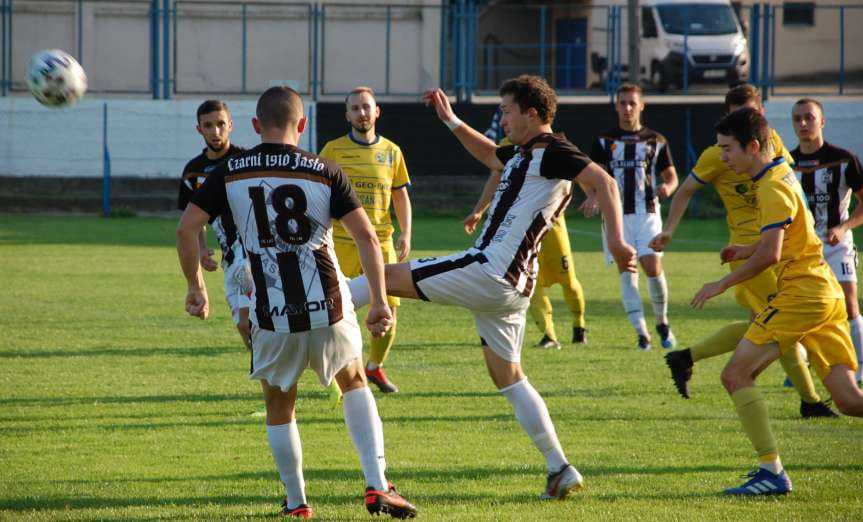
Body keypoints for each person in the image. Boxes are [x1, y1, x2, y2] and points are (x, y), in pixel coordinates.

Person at [350, 75, 637, 499]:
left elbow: (605, 182)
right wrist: (450, 120)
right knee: (508, 375)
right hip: (511, 285)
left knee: (383, 276)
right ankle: (559, 467)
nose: (500, 117)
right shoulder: (525, 153)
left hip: (492, 269)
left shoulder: (552, 148)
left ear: (532, 113)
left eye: (505, 110)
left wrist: (615, 240)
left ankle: (308, 324)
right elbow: (490, 155)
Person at [176, 86, 417, 519]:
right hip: (329, 303)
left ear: (253, 126)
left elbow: (186, 228)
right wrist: (379, 300)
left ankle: (298, 502)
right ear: (302, 125)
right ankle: (378, 485)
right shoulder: (324, 168)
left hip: (271, 310)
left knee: (279, 405)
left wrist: (196, 286)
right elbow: (365, 235)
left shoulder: (230, 170)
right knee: (355, 382)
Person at [691, 107, 863, 495]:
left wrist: (722, 283)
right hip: (822, 289)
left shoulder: (769, 186)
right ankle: (771, 473)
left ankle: (771, 472)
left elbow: (771, 255)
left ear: (753, 146)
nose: (722, 157)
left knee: (734, 375)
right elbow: (787, 237)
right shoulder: (780, 171)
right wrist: (745, 247)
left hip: (802, 293)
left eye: (728, 149)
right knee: (850, 401)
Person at [653, 84, 836, 418]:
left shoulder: (772, 144)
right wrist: (668, 231)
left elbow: (788, 183)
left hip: (782, 246)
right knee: (781, 325)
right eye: (743, 113)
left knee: (762, 324)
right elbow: (684, 191)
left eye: (755, 112)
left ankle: (685, 357)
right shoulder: (719, 154)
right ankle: (811, 401)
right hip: (751, 254)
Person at [320, 86, 412, 393]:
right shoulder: (332, 150)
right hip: (342, 243)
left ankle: (374, 368)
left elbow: (400, 196)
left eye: (366, 107)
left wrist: (406, 231)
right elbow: (317, 192)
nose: (361, 112)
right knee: (337, 311)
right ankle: (341, 371)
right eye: (355, 108)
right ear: (347, 114)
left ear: (377, 111)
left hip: (381, 243)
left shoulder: (393, 151)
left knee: (388, 311)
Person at [467, 123, 588, 350]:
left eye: (509, 111)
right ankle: (549, 335)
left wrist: (593, 195)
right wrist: (479, 210)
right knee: (532, 283)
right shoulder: (506, 147)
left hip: (552, 228)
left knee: (567, 280)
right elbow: (495, 176)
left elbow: (582, 170)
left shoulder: (554, 143)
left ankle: (579, 326)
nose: (506, 120)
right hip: (520, 230)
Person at [588, 83, 678, 351]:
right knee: (627, 270)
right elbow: (595, 178)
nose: (627, 108)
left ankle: (662, 322)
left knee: (652, 265)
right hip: (616, 216)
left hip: (647, 212)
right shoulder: (604, 141)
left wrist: (668, 188)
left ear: (641, 105)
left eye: (632, 103)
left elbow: (671, 176)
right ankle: (642, 334)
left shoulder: (656, 140)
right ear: (616, 106)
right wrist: (593, 197)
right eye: (623, 103)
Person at [790, 98, 863, 388]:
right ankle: (799, 366)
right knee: (802, 306)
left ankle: (859, 368)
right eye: (797, 119)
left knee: (848, 302)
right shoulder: (787, 164)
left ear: (822, 121)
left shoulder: (843, 160)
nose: (803, 123)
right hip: (802, 249)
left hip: (837, 244)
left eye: (809, 117)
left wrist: (843, 227)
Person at [178, 100, 252, 350]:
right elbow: (193, 220)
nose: (215, 131)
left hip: (251, 252)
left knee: (248, 323)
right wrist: (200, 248)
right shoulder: (193, 172)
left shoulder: (245, 161)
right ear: (199, 129)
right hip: (230, 256)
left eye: (221, 124)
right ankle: (269, 374)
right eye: (208, 125)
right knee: (245, 326)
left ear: (230, 125)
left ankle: (273, 375)